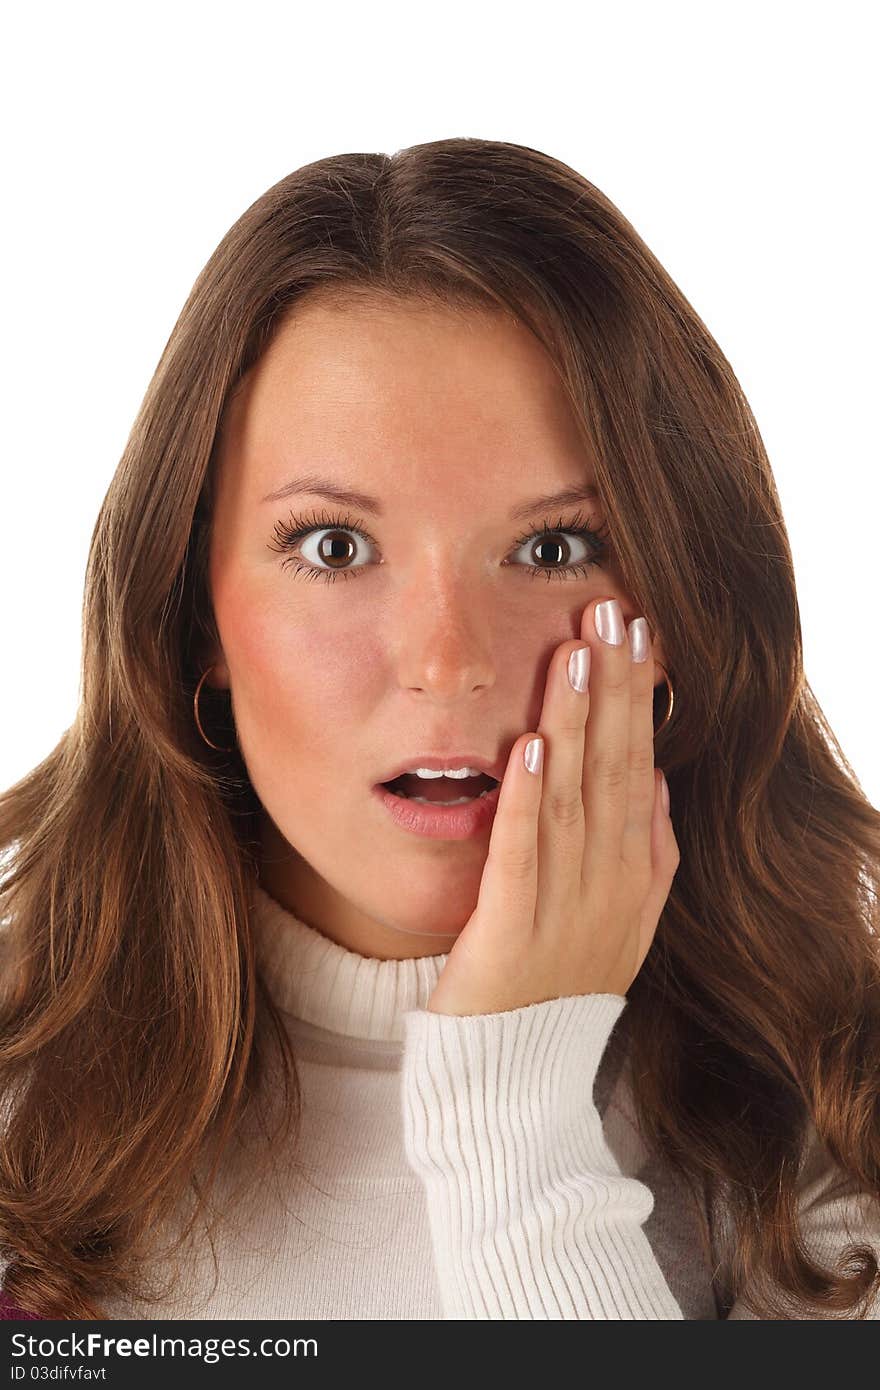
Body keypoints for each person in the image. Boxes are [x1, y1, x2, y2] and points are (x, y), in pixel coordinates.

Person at [1, 137, 878, 1322]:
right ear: (192, 608)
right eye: (334, 548)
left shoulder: (843, 1104)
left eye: (555, 548)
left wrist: (516, 1102)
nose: (446, 660)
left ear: (677, 606)